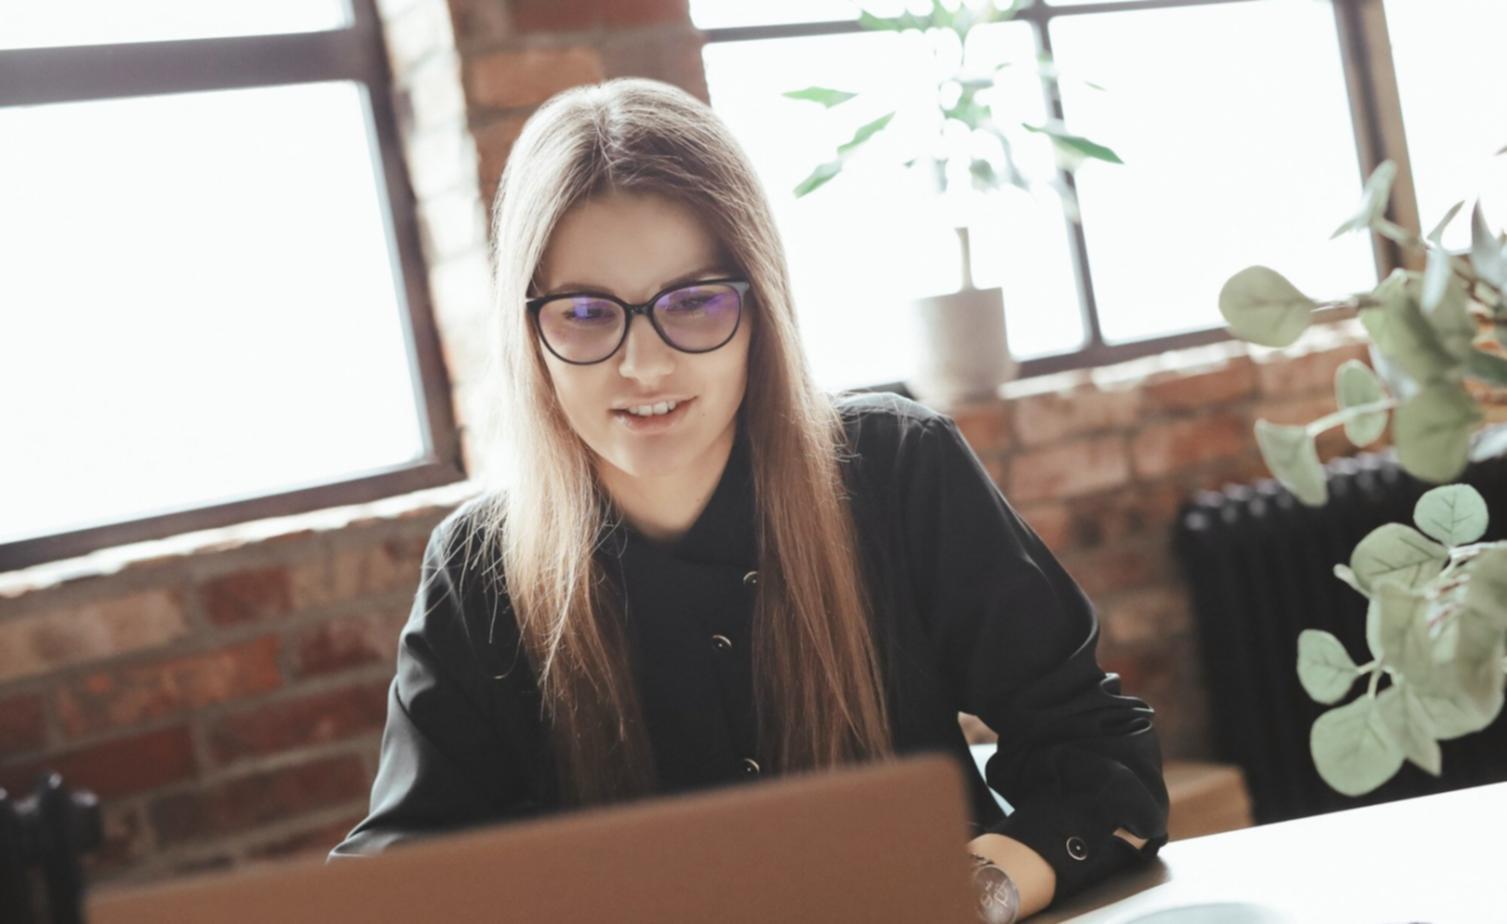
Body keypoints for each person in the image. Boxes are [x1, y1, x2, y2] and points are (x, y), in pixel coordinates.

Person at [327, 76, 1169, 921]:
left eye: (693, 304)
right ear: (529, 334)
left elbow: (1102, 765)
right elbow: (399, 876)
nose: (644, 366)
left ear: (759, 308)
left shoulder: (898, 468)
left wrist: (965, 897)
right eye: (585, 313)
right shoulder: (478, 569)